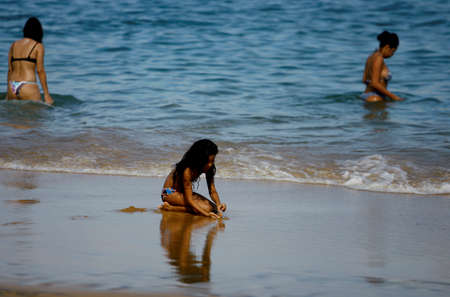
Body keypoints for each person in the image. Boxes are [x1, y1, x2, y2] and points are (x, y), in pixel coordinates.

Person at [160, 139, 227, 219]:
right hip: (168, 192)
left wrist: (219, 205)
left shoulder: (209, 167)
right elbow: (189, 200)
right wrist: (206, 214)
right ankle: (170, 208)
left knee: (213, 208)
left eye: (212, 161)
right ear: (200, 160)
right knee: (206, 209)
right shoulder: (187, 171)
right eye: (208, 161)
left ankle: (173, 206)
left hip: (182, 192)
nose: (210, 165)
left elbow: (212, 190)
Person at [6, 17, 53, 105]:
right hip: (28, 85)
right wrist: (46, 94)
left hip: (12, 86)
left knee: (14, 118)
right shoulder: (38, 46)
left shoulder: (14, 45)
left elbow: (10, 70)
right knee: (37, 117)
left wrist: (8, 91)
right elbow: (40, 70)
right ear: (39, 31)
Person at [361, 31, 403, 102]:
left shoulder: (371, 57)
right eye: (392, 52)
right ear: (387, 47)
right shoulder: (379, 59)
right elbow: (375, 83)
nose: (392, 55)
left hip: (365, 95)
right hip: (375, 97)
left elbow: (364, 80)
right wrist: (394, 97)